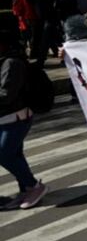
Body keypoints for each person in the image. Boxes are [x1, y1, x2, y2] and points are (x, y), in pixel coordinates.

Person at [0, 26, 48, 211]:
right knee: (15, 155)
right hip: (7, 118)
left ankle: (34, 186)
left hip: (16, 118)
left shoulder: (12, 63)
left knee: (4, 154)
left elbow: (6, 94)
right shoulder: (5, 61)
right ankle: (26, 190)